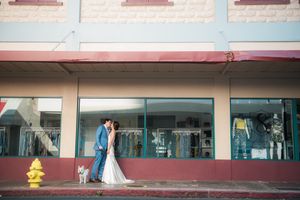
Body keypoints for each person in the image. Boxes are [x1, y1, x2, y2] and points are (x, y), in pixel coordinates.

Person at [90, 118, 112, 183]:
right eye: (110, 122)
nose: (110, 124)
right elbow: (97, 137)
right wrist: (99, 145)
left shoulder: (108, 129)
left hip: (105, 149)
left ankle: (99, 177)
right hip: (99, 149)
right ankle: (92, 177)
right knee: (97, 162)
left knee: (102, 163)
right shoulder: (101, 127)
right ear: (106, 121)